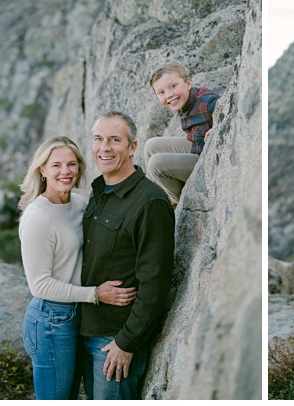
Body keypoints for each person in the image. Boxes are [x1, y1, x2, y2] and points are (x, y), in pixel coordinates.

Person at [18, 136, 137, 400]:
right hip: (51, 319)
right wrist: (95, 294)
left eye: (71, 164)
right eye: (56, 165)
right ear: (42, 170)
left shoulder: (81, 203)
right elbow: (40, 285)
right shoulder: (38, 217)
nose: (65, 171)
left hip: (80, 315)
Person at [80, 111, 176, 400]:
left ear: (132, 147)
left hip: (115, 340)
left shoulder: (150, 203)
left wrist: (126, 342)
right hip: (85, 330)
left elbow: (155, 284)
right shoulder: (99, 192)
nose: (104, 147)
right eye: (98, 139)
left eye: (114, 140)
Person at [143, 62, 219, 206]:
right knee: (150, 145)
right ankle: (151, 198)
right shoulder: (183, 102)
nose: (169, 95)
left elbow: (228, 111)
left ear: (188, 83)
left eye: (173, 86)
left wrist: (217, 128)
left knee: (156, 164)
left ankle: (177, 203)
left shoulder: (207, 102)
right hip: (198, 146)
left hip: (209, 160)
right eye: (161, 92)